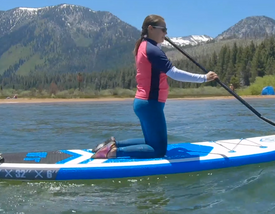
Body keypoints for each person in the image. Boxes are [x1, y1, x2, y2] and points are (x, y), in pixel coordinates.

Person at [91, 15, 218, 159]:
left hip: (144, 103)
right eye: (163, 29)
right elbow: (174, 73)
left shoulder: (144, 46)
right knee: (158, 150)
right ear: (151, 29)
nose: (166, 33)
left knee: (150, 142)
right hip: (150, 103)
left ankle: (114, 144)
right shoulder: (152, 50)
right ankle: (112, 152)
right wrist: (204, 78)